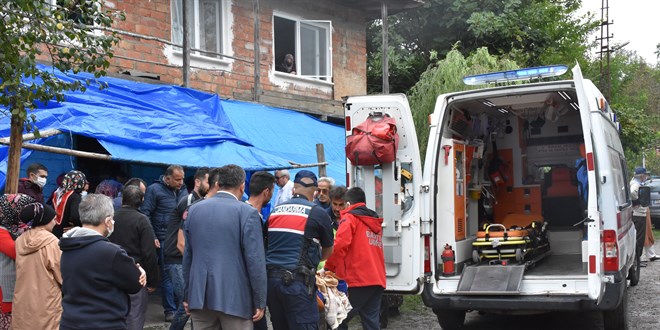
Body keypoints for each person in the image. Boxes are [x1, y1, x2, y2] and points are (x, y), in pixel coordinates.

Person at [183, 165, 266, 329]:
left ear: (218, 183)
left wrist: (187, 295)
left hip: (200, 297)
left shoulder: (194, 210)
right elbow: (255, 261)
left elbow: (188, 256)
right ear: (242, 186)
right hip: (235, 298)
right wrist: (260, 300)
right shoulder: (247, 213)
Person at [59, 194, 146, 330]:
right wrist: (140, 271)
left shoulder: (67, 246)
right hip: (104, 323)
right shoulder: (111, 252)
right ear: (107, 221)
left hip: (70, 322)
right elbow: (135, 284)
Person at [266, 170, 334, 329]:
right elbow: (328, 251)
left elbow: (266, 244)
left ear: (293, 189)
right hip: (297, 284)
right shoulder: (317, 213)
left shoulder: (275, 211)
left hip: (272, 284)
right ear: (315, 192)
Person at [324, 187, 385, 330]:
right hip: (377, 279)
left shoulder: (350, 218)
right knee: (371, 323)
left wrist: (328, 268)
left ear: (348, 204)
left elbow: (339, 246)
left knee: (338, 320)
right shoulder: (373, 221)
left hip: (358, 279)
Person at [164, 167, 209, 330]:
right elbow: (181, 242)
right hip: (177, 258)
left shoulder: (198, 201)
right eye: (207, 181)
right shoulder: (190, 201)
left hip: (180, 258)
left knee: (190, 305)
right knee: (187, 306)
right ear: (197, 182)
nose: (211, 186)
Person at [109, 186, 160, 330]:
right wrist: (153, 280)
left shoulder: (111, 217)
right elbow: (149, 253)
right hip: (136, 273)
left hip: (112, 271)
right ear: (142, 200)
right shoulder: (142, 220)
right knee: (134, 316)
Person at [141, 165, 187, 321]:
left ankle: (183, 307)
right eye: (177, 179)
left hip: (182, 238)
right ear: (167, 178)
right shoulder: (154, 190)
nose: (181, 182)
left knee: (182, 273)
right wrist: (152, 235)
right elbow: (145, 213)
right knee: (167, 274)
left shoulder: (184, 191)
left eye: (182, 179)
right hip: (163, 238)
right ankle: (170, 310)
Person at [12, 203, 62, 330]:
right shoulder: (52, 242)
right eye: (53, 219)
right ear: (44, 220)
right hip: (46, 305)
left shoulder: (20, 241)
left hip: (23, 304)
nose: (55, 222)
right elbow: (63, 276)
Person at [244, 171, 275, 330]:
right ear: (266, 192)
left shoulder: (241, 211)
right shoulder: (251, 217)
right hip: (249, 286)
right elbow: (254, 257)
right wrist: (260, 299)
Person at [0, 194, 34, 329]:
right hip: (6, 291)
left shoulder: (20, 230)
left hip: (21, 288)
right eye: (24, 210)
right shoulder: (1, 232)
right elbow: (17, 252)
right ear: (14, 210)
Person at [51, 170, 86, 238]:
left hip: (54, 232)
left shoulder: (58, 194)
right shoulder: (75, 197)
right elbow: (75, 216)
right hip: (66, 234)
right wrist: (78, 227)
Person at [630, 167, 653, 267]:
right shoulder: (636, 184)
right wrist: (638, 201)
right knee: (639, 237)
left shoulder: (635, 182)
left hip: (638, 213)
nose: (646, 176)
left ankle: (637, 259)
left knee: (639, 237)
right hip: (638, 214)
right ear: (642, 175)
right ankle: (637, 260)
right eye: (645, 174)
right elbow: (632, 193)